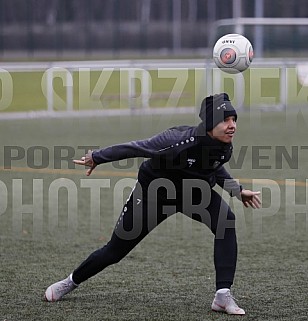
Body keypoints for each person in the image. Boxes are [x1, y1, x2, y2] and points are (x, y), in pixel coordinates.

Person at [44, 93, 261, 315]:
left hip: (193, 194)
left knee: (225, 221)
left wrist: (238, 190)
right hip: (154, 194)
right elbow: (137, 147)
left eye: (234, 120)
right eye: (225, 120)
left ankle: (222, 296)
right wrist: (98, 157)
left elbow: (213, 166)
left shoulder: (224, 146)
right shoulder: (177, 140)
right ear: (209, 123)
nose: (232, 125)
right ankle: (71, 281)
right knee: (114, 252)